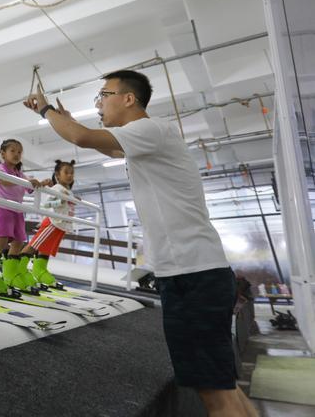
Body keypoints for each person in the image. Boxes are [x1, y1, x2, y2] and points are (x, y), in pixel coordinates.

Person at [24, 70, 257, 417]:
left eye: (104, 95)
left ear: (128, 98)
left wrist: (46, 110)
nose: (99, 104)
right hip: (195, 273)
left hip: (192, 277)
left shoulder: (150, 129)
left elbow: (82, 137)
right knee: (223, 387)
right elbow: (104, 145)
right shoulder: (146, 138)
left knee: (216, 396)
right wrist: (68, 120)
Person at [0, 139, 42, 294]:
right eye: (13, 151)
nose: (17, 154)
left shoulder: (20, 173)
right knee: (2, 240)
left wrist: (37, 183)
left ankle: (10, 274)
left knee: (18, 242)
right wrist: (24, 182)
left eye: (19, 152)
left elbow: (30, 189)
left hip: (18, 211)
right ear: (3, 154)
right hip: (3, 208)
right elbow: (4, 181)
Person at [21, 159, 77, 289]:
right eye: (66, 172)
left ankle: (39, 270)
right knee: (34, 245)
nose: (70, 175)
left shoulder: (69, 191)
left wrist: (73, 199)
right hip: (52, 223)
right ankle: (19, 268)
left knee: (46, 248)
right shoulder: (57, 188)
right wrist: (60, 201)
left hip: (60, 226)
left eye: (72, 173)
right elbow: (46, 205)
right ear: (57, 175)